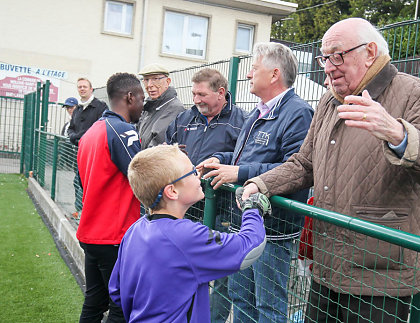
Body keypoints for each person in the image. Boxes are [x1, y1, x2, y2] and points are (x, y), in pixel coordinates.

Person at [240, 18, 420, 322]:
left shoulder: (414, 91)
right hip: (328, 265)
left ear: (370, 52)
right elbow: (303, 163)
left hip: (381, 275)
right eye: (324, 58)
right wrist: (261, 184)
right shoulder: (328, 102)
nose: (328, 67)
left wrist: (398, 134)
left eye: (337, 55)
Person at [200, 42, 314, 323]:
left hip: (273, 230)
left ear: (274, 74)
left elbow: (294, 169)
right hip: (244, 223)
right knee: (241, 300)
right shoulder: (259, 110)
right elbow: (244, 154)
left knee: (268, 308)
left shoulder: (298, 113)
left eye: (253, 68)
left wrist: (238, 173)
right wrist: (219, 158)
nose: (248, 75)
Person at [108, 144, 269, 323]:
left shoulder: (135, 230)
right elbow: (249, 248)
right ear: (172, 191)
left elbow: (117, 291)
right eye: (192, 172)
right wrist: (252, 209)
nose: (198, 175)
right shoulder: (186, 236)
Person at [165, 68, 246, 322]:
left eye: (202, 94)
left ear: (221, 92)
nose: (197, 100)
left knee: (220, 276)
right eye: (194, 94)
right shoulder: (184, 119)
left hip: (222, 210)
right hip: (186, 211)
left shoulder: (241, 121)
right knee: (183, 269)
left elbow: (244, 159)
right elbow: (167, 151)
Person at [76, 73, 144, 323]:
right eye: (141, 98)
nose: (142, 104)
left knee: (94, 302)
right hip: (113, 237)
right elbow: (143, 177)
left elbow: (83, 181)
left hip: (90, 232)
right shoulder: (123, 130)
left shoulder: (92, 131)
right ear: (129, 97)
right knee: (121, 308)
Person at [68, 78, 108, 219]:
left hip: (95, 154)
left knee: (92, 186)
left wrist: (81, 137)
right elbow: (71, 129)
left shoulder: (100, 107)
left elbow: (102, 128)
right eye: (79, 87)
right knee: (79, 182)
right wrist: (74, 138)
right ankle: (82, 213)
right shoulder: (78, 109)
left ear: (91, 89)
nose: (82, 89)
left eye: (85, 86)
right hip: (79, 153)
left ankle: (93, 216)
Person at [137, 63, 185, 149]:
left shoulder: (174, 108)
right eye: (146, 80)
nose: (149, 85)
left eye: (155, 79)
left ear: (168, 81)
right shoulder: (149, 106)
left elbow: (158, 143)